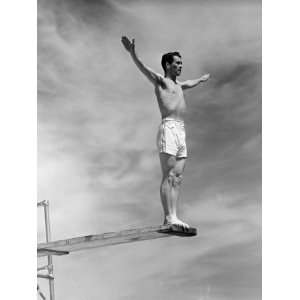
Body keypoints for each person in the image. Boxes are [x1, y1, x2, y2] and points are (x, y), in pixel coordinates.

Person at [121, 36, 210, 229]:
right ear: (168, 65)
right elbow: (144, 68)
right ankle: (168, 217)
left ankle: (175, 216)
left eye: (181, 63)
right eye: (177, 63)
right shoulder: (161, 82)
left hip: (181, 131)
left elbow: (190, 83)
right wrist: (133, 53)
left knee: (178, 177)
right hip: (168, 127)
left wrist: (201, 80)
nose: (180, 66)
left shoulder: (180, 85)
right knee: (168, 174)